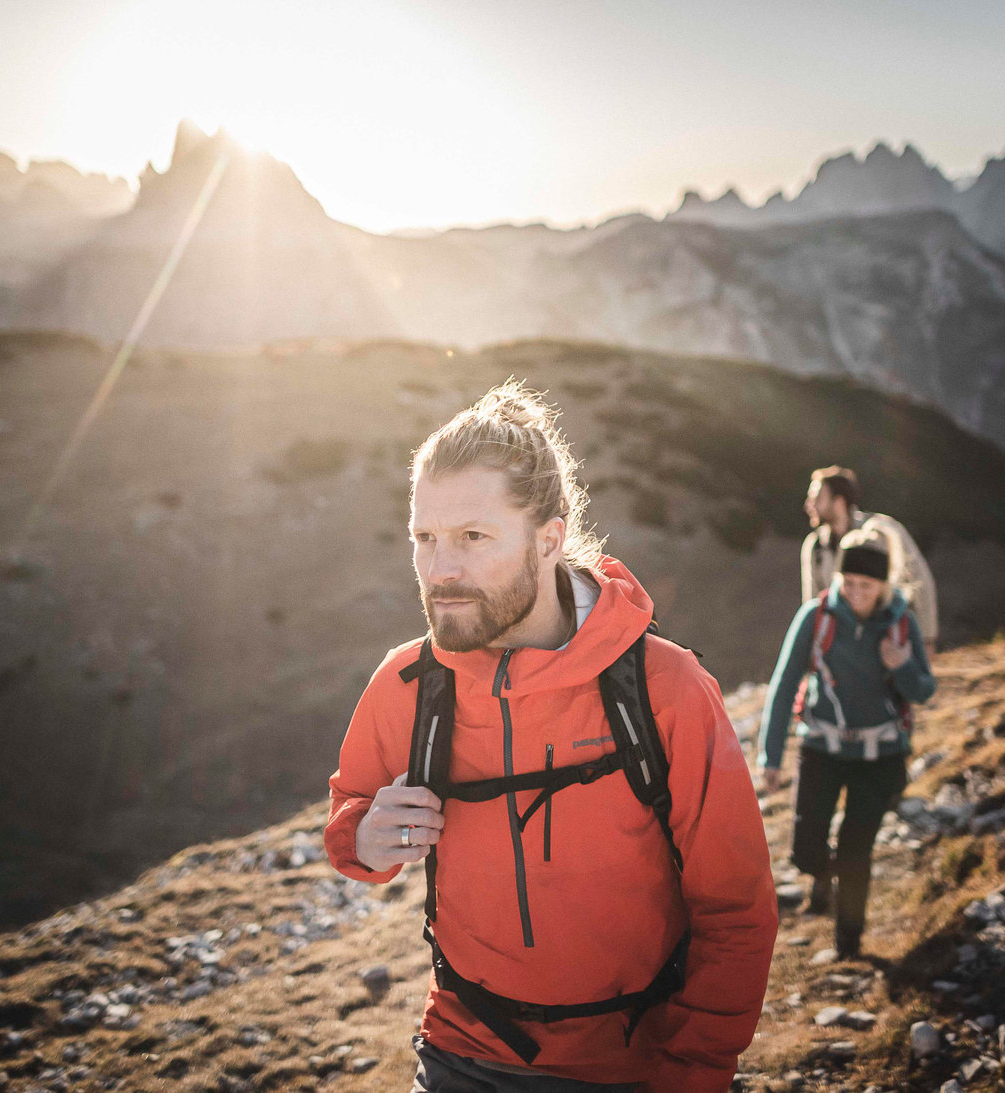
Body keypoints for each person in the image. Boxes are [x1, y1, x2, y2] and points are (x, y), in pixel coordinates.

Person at [325, 382, 778, 1092]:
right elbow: (350, 811)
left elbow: (736, 907)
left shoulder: (666, 687)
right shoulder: (409, 683)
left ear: (549, 538)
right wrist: (362, 835)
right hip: (458, 1051)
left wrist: (693, 1073)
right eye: (425, 537)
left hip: (632, 1067)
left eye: (473, 537)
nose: (440, 569)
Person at [758, 528, 936, 958]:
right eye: (848, 582)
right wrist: (771, 756)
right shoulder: (814, 617)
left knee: (857, 850)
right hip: (822, 748)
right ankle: (820, 875)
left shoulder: (901, 623)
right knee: (805, 849)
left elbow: (924, 690)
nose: (855, 592)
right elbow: (784, 685)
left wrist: (903, 666)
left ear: (884, 585)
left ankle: (848, 944)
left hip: (881, 755)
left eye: (866, 585)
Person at [800, 466, 939, 653]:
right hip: (843, 649)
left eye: (817, 498)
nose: (809, 505)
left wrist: (927, 637)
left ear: (839, 502)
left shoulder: (883, 531)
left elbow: (920, 580)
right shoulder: (814, 546)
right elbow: (813, 602)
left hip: (890, 641)